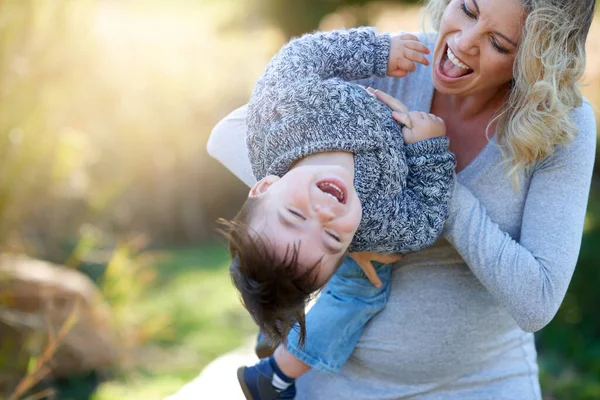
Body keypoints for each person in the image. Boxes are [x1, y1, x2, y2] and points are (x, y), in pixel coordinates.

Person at [208, 0, 597, 398]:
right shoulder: (396, 58)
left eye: (498, 43)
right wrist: (344, 236)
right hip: (337, 383)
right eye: (466, 9)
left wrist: (434, 174)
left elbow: (537, 300)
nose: (463, 43)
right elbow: (228, 133)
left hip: (484, 383)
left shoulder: (562, 123)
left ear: (535, 60)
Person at [219, 28, 456, 399]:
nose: (325, 214)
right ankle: (276, 365)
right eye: (333, 238)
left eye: (296, 214)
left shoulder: (286, 112)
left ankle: (277, 337)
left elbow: (306, 54)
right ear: (347, 248)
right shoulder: (378, 222)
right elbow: (428, 218)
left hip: (332, 114)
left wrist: (380, 51)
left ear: (265, 186)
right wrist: (429, 149)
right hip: (359, 228)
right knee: (363, 292)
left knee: (291, 267)